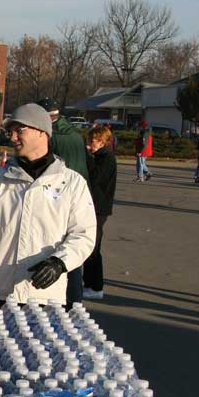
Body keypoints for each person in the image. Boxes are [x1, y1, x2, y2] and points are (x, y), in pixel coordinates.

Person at [0, 103, 96, 305]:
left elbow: (84, 234)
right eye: (10, 131)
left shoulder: (71, 183)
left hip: (45, 297)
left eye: (19, 130)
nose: (12, 137)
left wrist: (59, 262)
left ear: (42, 132)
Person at [47, 101, 89, 305]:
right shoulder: (74, 134)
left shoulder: (51, 136)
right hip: (80, 190)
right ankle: (75, 300)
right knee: (73, 249)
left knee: (56, 247)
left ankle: (65, 300)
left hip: (57, 192)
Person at [82, 123, 118, 300]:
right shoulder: (102, 156)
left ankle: (95, 286)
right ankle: (89, 283)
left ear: (102, 142)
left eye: (94, 141)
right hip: (97, 206)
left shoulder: (106, 158)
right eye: (90, 140)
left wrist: (88, 157)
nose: (91, 144)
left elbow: (95, 178)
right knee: (90, 247)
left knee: (93, 248)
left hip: (99, 207)